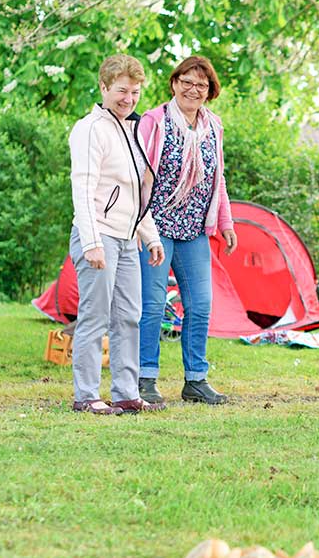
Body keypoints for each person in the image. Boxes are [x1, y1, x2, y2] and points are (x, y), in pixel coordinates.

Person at [136, 56, 237, 405]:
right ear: (174, 83)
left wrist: (225, 222)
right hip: (156, 227)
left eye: (202, 85)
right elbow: (140, 176)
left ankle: (196, 380)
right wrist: (138, 223)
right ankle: (144, 378)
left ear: (209, 92)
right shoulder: (154, 121)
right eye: (187, 82)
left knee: (200, 306)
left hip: (195, 229)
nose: (193, 89)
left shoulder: (214, 126)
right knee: (151, 306)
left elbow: (217, 178)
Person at [68, 54, 166, 415]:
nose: (129, 99)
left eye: (136, 92)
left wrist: (151, 236)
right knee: (95, 316)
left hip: (128, 238)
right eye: (122, 91)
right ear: (104, 88)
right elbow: (84, 188)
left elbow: (136, 193)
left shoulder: (133, 129)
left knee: (129, 316)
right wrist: (92, 242)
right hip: (98, 236)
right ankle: (87, 396)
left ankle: (126, 392)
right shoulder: (90, 129)